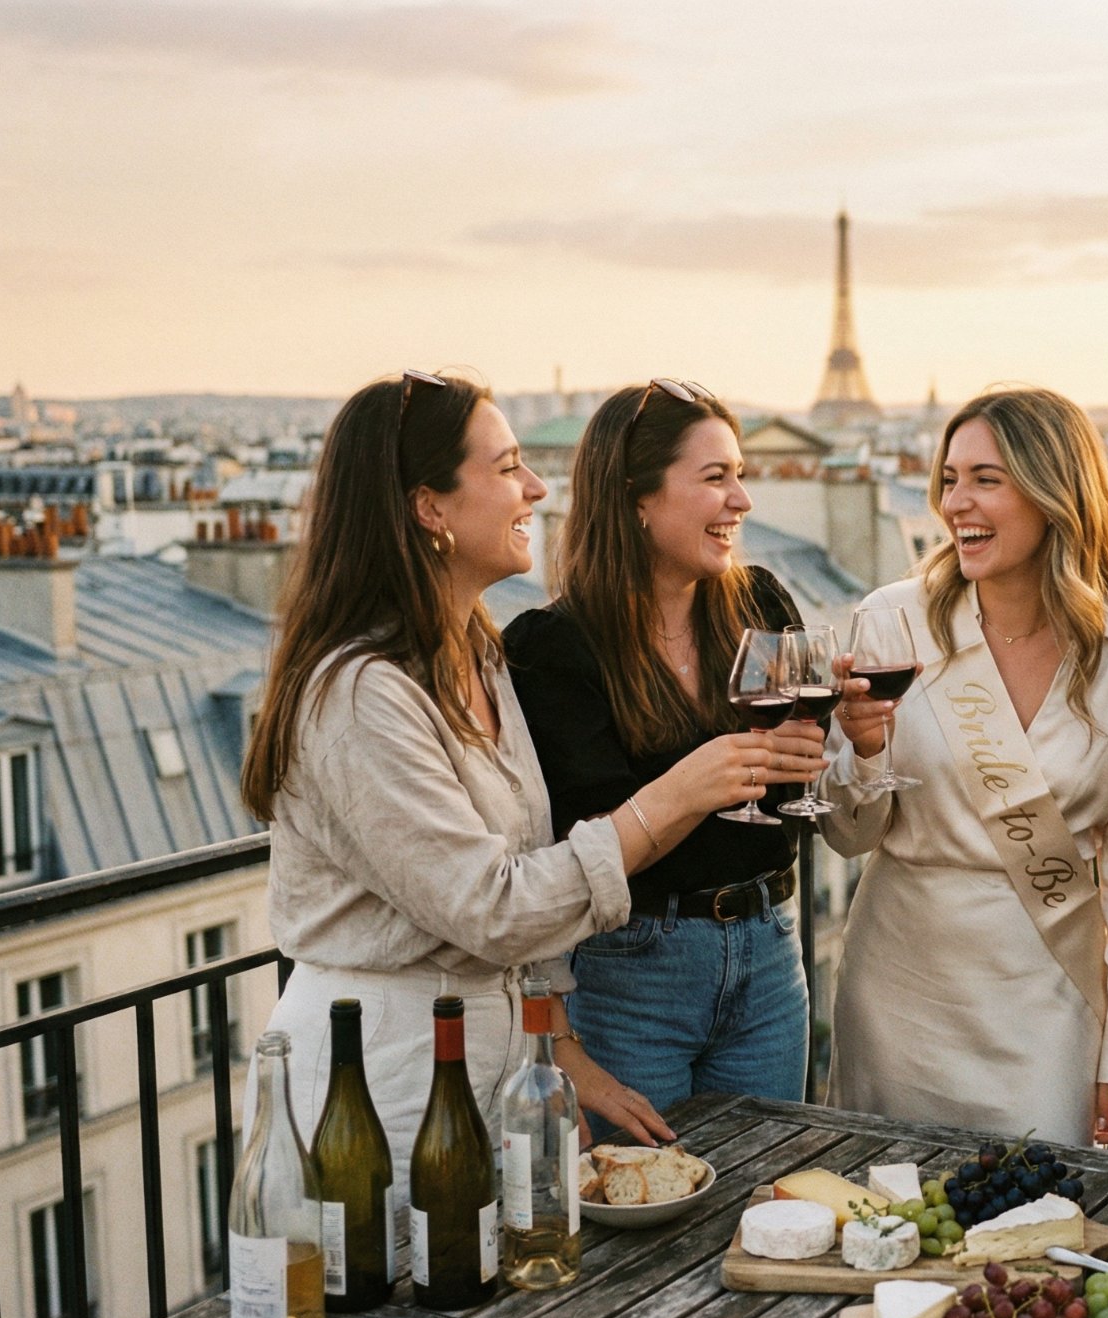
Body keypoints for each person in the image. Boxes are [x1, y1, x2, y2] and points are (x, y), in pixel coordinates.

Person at [242, 370, 695, 1183]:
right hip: (378, 1086)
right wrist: (670, 801)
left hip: (479, 1061)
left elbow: (518, 867)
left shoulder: (477, 655)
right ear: (430, 507)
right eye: (507, 466)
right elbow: (491, 904)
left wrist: (559, 1050)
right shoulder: (359, 694)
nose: (537, 486)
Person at [820, 387, 1108, 1145]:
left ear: (1054, 492)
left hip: (1048, 997)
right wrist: (864, 747)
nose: (957, 503)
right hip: (901, 990)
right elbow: (849, 837)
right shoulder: (893, 617)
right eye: (949, 478)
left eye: (987, 478)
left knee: (1035, 1234)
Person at [504, 379, 824, 1126]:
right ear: (636, 498)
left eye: (740, 475)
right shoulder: (551, 650)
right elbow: (589, 849)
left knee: (766, 1204)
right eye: (715, 477)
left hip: (770, 955)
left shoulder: (763, 606)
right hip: (633, 971)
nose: (741, 500)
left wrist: (838, 738)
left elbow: (792, 795)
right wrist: (705, 781)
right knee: (645, 1207)